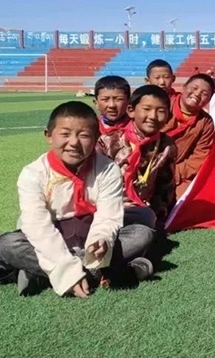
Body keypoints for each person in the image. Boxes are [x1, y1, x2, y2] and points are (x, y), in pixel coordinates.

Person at [0, 102, 154, 297]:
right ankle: (105, 271)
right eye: (65, 134)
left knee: (142, 234)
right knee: (7, 243)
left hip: (90, 233)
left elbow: (108, 216)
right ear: (48, 136)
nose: (73, 142)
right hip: (53, 234)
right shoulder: (33, 173)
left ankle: (39, 274)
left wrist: (101, 240)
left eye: (84, 135)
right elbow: (38, 226)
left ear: (96, 138)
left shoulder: (108, 169)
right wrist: (68, 273)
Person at [96, 85, 177, 230]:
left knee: (145, 225)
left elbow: (165, 188)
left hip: (142, 210)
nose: (153, 116)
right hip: (108, 208)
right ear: (131, 111)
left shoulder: (167, 146)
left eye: (161, 111)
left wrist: (159, 217)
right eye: (146, 109)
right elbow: (94, 184)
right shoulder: (108, 142)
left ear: (168, 116)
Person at [162, 74, 215, 197]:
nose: (197, 94)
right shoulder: (164, 105)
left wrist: (173, 173)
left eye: (204, 94)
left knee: (186, 198)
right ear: (184, 87)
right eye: (194, 88)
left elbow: (199, 156)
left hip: (175, 171)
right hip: (145, 164)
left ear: (209, 100)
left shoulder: (205, 122)